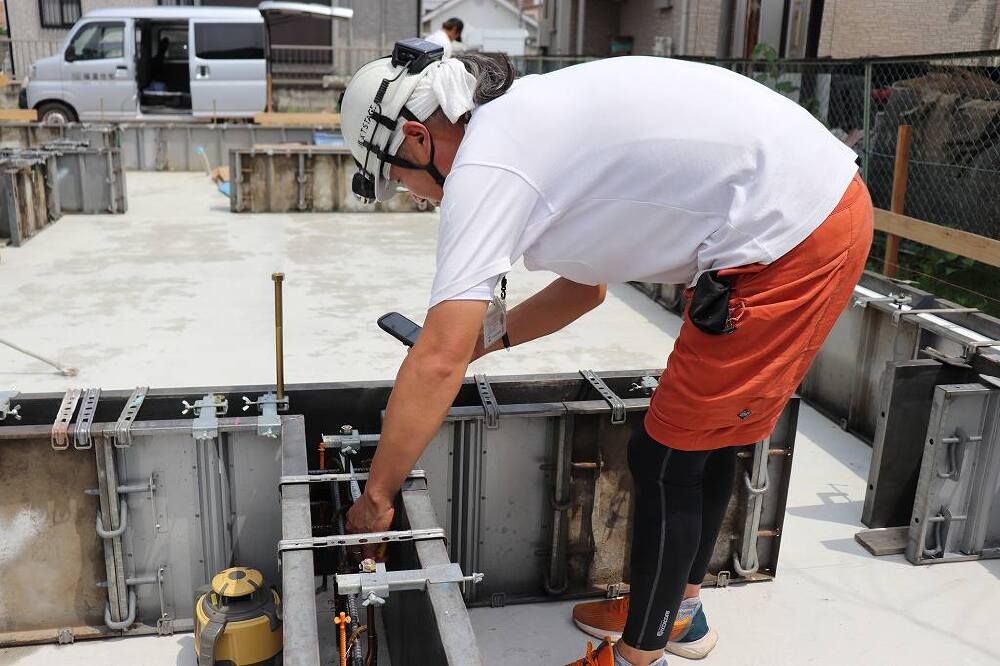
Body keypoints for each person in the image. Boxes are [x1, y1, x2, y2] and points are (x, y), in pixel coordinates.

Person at [340, 44, 873, 666]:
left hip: (791, 235)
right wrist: (484, 343)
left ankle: (638, 654)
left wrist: (376, 500)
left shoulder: (488, 166)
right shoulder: (518, 123)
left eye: (398, 177)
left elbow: (435, 359)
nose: (411, 194)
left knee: (669, 454)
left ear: (415, 135)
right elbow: (583, 290)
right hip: (796, 214)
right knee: (702, 440)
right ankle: (677, 607)